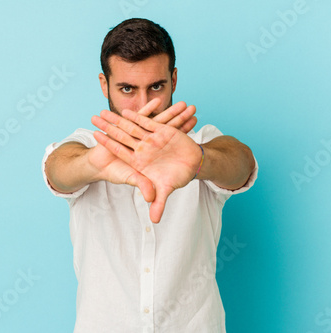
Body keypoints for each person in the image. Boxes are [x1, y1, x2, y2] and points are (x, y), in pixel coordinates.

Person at [42, 18, 258, 333]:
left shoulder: (199, 145)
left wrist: (200, 162)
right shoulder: (88, 146)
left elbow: (241, 163)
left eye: (156, 87)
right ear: (105, 85)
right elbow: (58, 169)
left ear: (173, 79)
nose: (144, 106)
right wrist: (93, 163)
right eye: (127, 89)